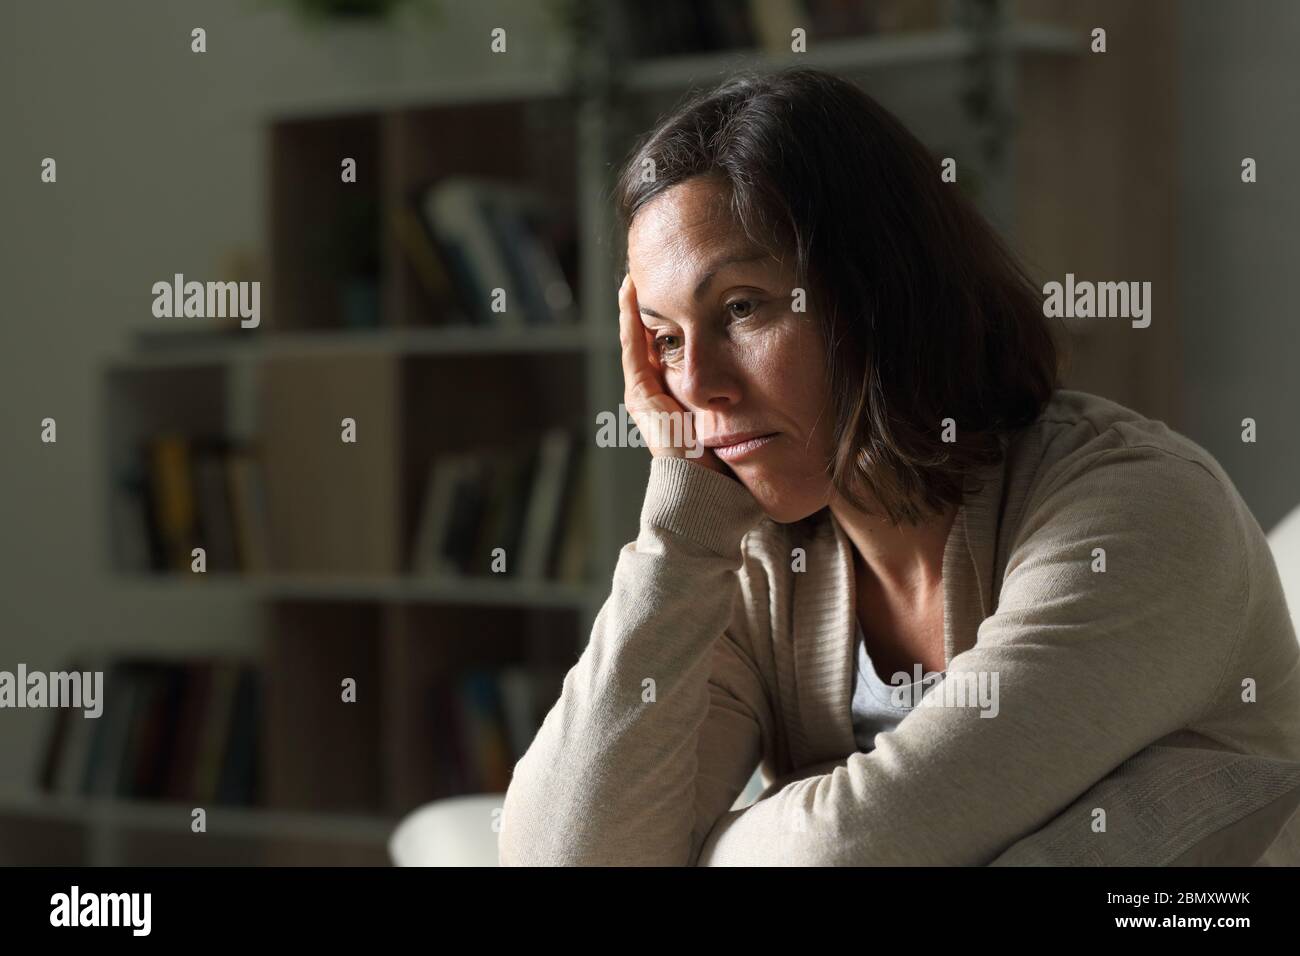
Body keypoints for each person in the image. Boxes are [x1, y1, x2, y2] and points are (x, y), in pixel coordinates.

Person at [498, 67, 1300, 865]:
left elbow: (845, 853)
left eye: (742, 308)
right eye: (666, 339)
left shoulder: (1139, 514)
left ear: (880, 294)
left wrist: (718, 845)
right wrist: (681, 531)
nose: (697, 386)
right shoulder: (750, 561)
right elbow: (561, 858)